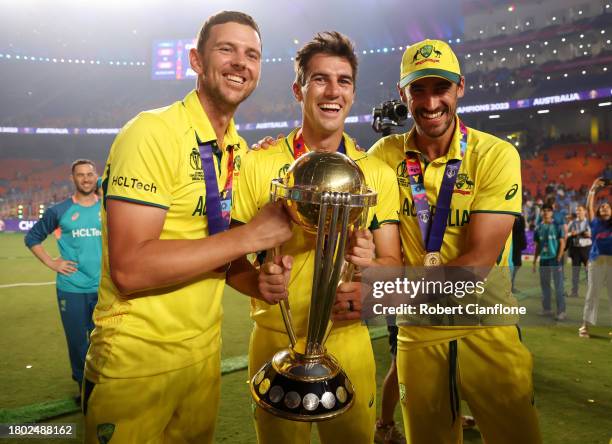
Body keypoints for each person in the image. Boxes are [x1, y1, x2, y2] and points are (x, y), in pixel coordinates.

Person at [82, 11, 292, 444]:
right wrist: (250, 236)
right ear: (196, 60)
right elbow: (130, 268)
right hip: (136, 362)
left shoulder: (237, 149)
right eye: (226, 49)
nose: (240, 62)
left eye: (251, 54)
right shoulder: (151, 133)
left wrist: (257, 282)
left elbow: (218, 257)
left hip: (203, 359)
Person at [228, 31, 402, 444]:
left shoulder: (375, 173)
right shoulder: (258, 164)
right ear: (298, 89)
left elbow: (393, 268)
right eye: (319, 79)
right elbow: (231, 264)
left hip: (348, 340)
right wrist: (257, 282)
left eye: (343, 81)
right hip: (274, 340)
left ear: (353, 93)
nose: (332, 91)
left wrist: (371, 278)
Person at [369, 39, 542, 443]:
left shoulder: (495, 154)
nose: (430, 103)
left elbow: (480, 258)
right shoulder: (383, 156)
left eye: (440, 88)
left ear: (460, 87)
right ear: (402, 94)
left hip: (485, 326)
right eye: (418, 90)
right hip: (417, 334)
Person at [24, 159, 101, 398]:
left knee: (106, 342)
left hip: (104, 288)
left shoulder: (108, 208)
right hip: (72, 288)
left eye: (90, 174)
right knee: (78, 343)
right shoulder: (59, 211)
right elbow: (32, 238)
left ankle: (106, 384)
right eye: (81, 175)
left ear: (96, 176)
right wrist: (52, 262)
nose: (86, 179)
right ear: (73, 178)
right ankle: (84, 387)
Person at [578, 178, 612, 338]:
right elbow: (588, 207)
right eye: (602, 207)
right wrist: (593, 189)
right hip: (596, 262)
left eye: (607, 206)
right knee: (592, 293)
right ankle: (584, 326)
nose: (604, 207)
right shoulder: (595, 223)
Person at [533, 205, 566, 319]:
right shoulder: (538, 228)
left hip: (555, 259)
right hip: (543, 260)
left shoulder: (557, 226)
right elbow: (537, 246)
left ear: (552, 213)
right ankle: (547, 309)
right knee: (545, 285)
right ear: (541, 213)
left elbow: (562, 243)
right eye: (544, 211)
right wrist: (534, 261)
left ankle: (561, 311)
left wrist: (559, 257)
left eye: (548, 211)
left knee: (558, 286)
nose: (546, 212)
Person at [567, 205, 591, 298]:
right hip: (576, 249)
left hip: (586, 249)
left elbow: (594, 234)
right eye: (577, 211)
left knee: (589, 272)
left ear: (585, 211)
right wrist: (571, 234)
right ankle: (574, 292)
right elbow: (566, 234)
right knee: (575, 272)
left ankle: (591, 293)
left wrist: (589, 234)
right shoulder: (572, 223)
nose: (578, 212)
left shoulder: (589, 222)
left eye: (580, 210)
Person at [511, 212, 527, 293]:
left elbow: (522, 230)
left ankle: (510, 285)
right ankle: (510, 286)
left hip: (517, 245)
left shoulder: (520, 217)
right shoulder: (511, 217)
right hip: (512, 245)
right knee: (514, 265)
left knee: (517, 265)